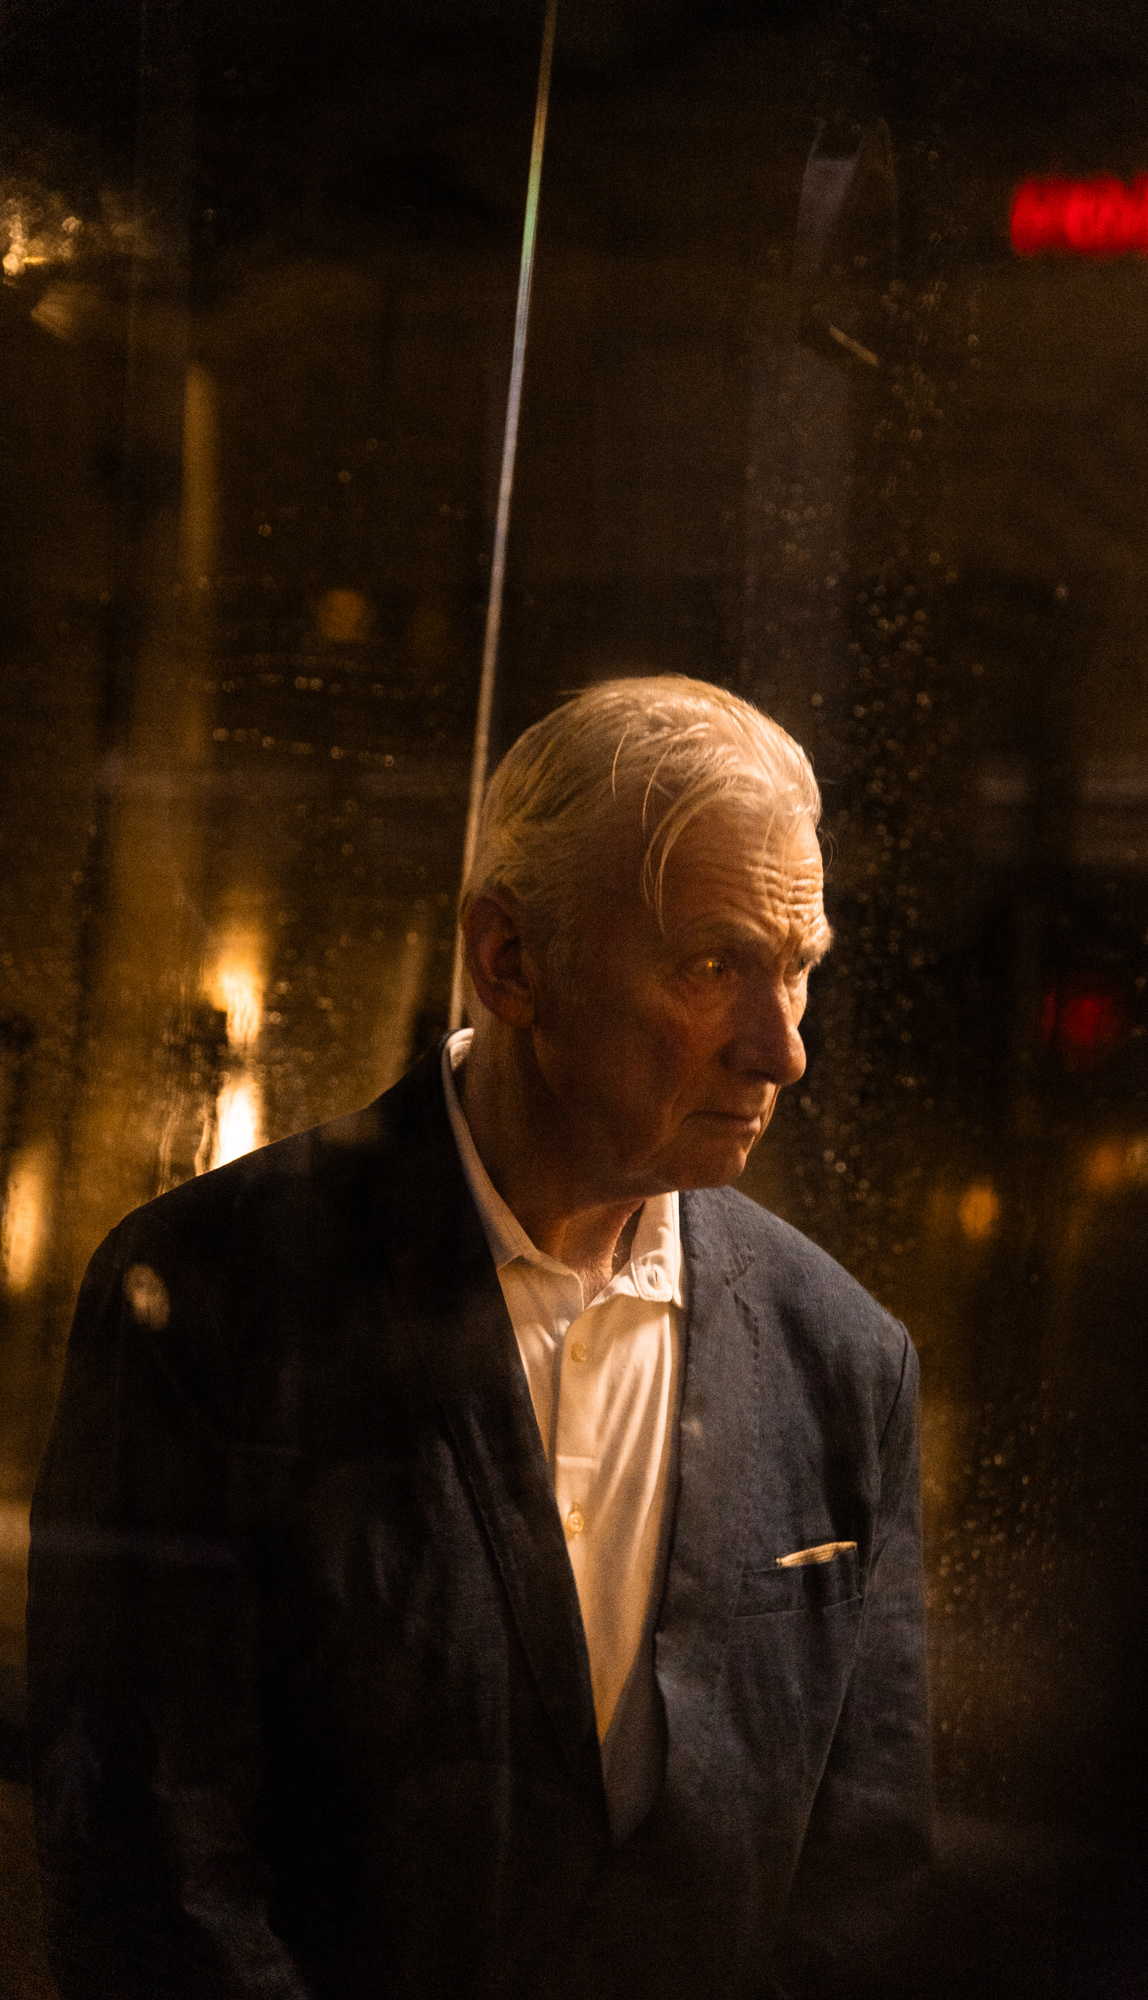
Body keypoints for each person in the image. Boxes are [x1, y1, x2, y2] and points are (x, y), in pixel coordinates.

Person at [27, 676, 930, 2000]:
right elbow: (153, 1868)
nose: (781, 1050)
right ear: (509, 958)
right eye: (710, 965)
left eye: (798, 968)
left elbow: (866, 1879)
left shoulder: (843, 1358)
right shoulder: (210, 1298)